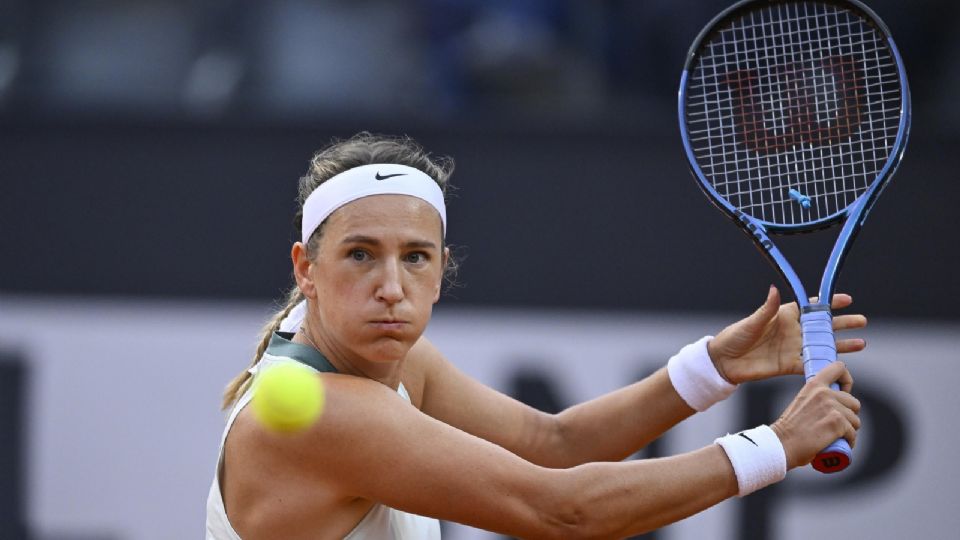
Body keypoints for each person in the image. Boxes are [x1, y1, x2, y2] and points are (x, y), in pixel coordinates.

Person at [205, 132, 866, 539]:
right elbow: (564, 513)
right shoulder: (323, 413)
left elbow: (554, 445)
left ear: (442, 270)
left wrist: (710, 369)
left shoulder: (395, 365)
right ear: (305, 269)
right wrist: (775, 445)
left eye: (415, 257)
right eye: (360, 255)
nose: (391, 285)